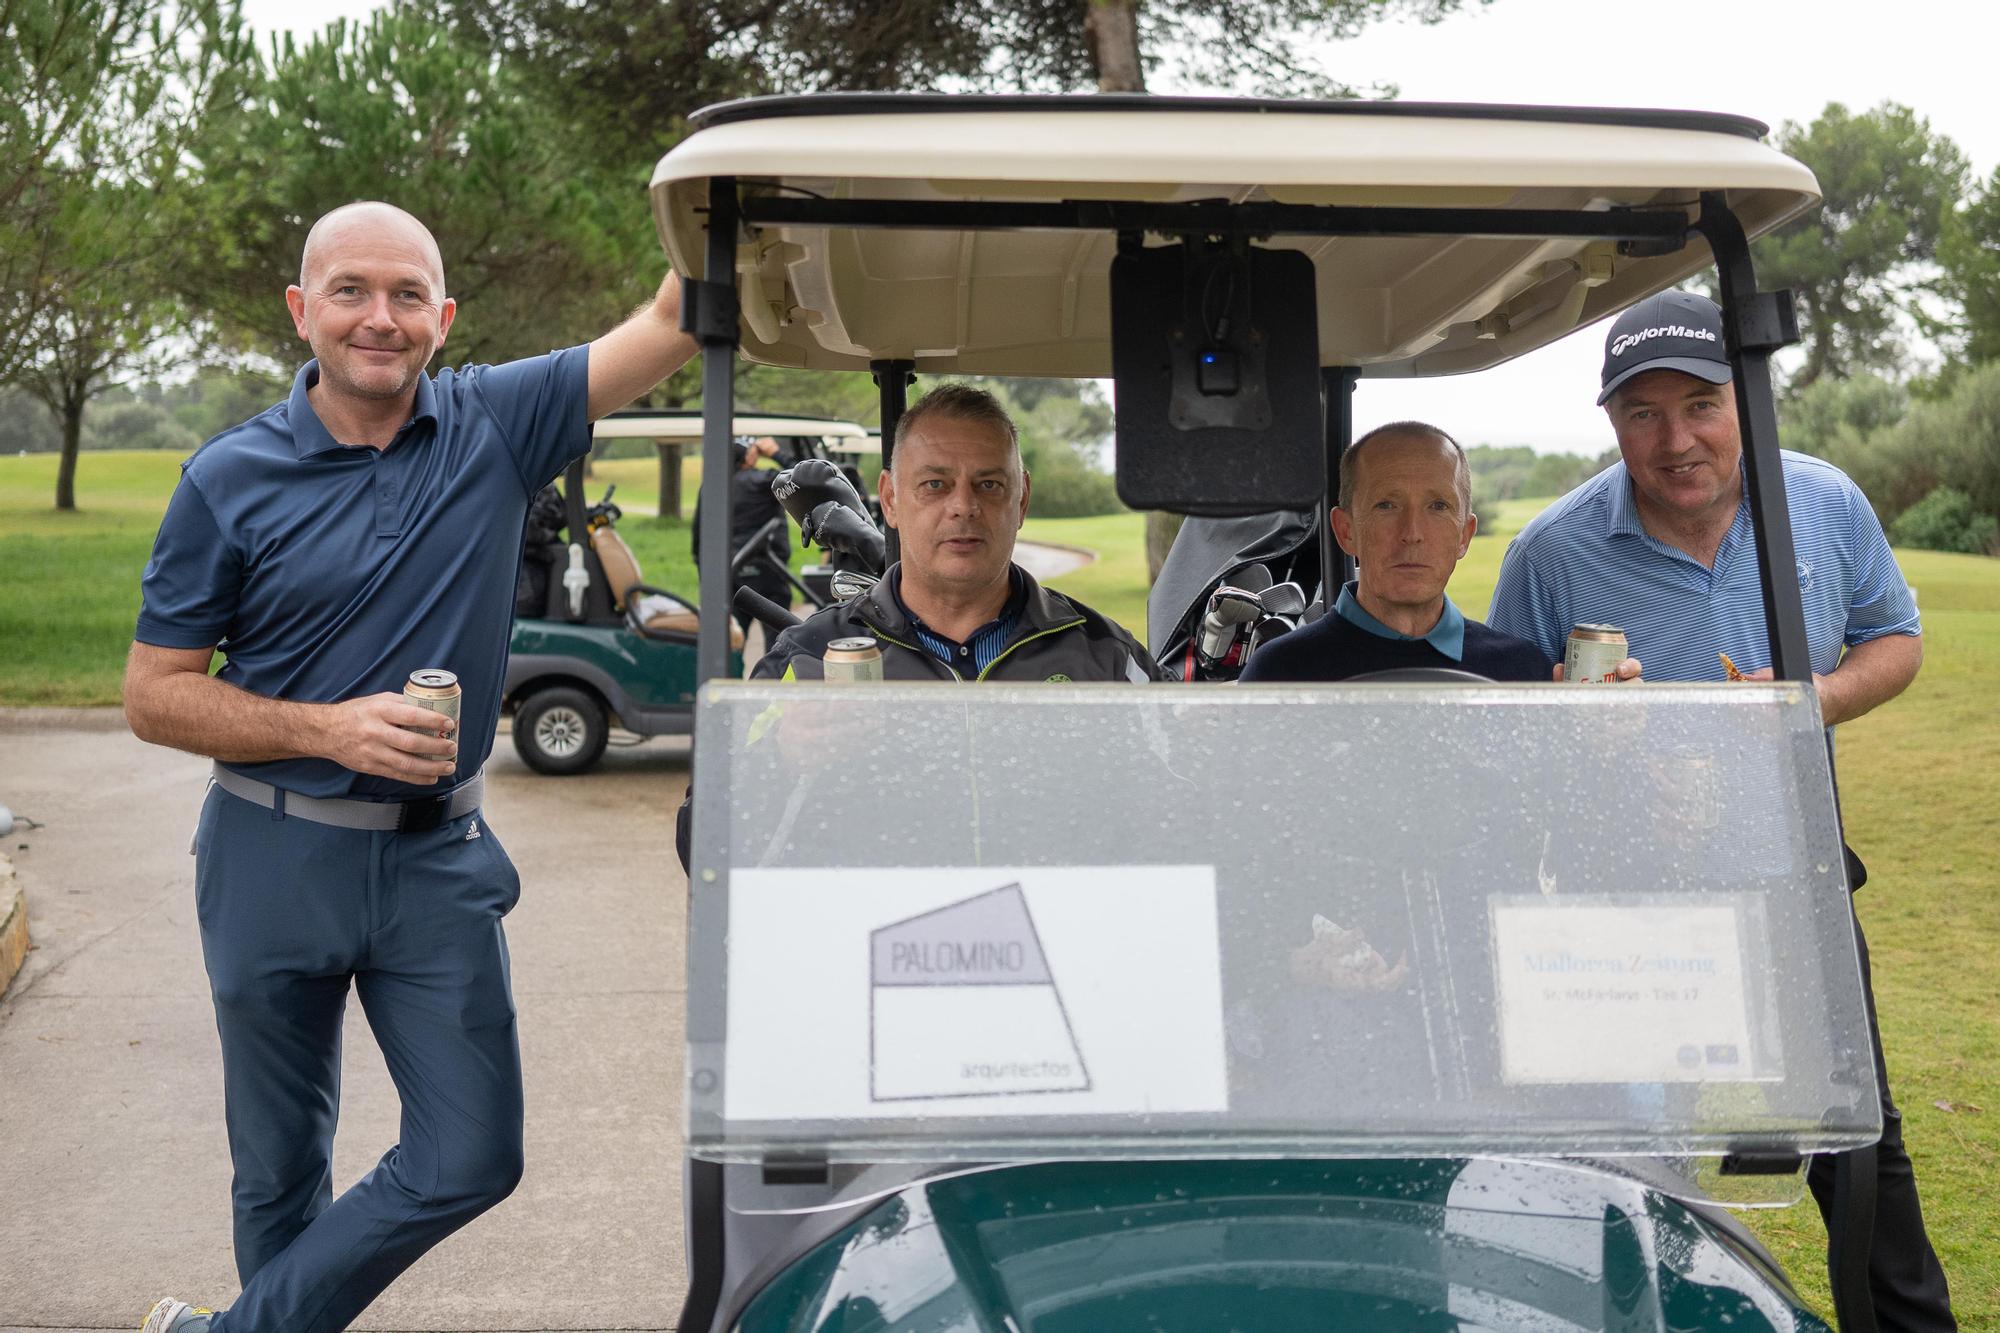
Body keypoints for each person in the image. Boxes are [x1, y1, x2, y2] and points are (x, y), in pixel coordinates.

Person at [122, 200, 700, 1333]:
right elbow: (154, 693)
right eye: (349, 292)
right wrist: (326, 728)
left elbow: (671, 322)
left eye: (404, 297)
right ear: (303, 310)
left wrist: (718, 187)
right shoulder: (226, 478)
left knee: (471, 1152)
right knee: (277, 1171)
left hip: (436, 862)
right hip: (268, 852)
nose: (377, 320)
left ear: (442, 316)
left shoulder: (500, 420)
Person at [1487, 289, 1950, 1333]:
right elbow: (1503, 750)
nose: (1674, 438)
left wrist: (1801, 703)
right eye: (1640, 413)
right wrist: (1579, 736)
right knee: (1634, 1152)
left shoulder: (1822, 503)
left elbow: (1893, 640)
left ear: (1743, 398)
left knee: (1858, 1141)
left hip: (1793, 877)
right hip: (1626, 906)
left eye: (1697, 403)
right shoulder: (1551, 552)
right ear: (1609, 423)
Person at [752, 383, 1160, 684]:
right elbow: (720, 795)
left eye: (989, 485)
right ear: (890, 499)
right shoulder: (805, 658)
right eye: (935, 484)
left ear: (1022, 500)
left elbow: (1190, 783)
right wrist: (787, 757)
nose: (964, 506)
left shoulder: (1107, 657)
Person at [1240, 422, 1638, 684]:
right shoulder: (1280, 672)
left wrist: (1602, 739)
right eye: (1386, 506)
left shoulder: (1520, 670)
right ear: (1346, 531)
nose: (1412, 534)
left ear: (1464, 536)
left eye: (1438, 507)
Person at [691, 434, 792, 634]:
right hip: (767, 570)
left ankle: (728, 667)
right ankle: (777, 667)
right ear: (747, 457)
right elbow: (806, 477)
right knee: (779, 640)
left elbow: (698, 536)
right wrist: (776, 453)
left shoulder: (712, 486)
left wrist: (707, 576)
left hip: (729, 572)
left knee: (733, 638)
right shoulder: (763, 481)